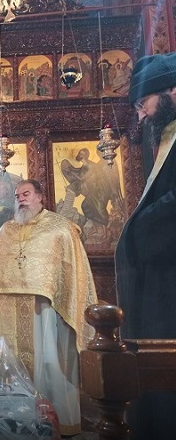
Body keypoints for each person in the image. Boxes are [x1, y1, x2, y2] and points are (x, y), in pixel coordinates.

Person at [0, 179, 97, 437]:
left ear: (40, 197)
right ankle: (15, 421)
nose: (20, 199)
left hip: (45, 307)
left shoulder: (60, 228)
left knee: (48, 359)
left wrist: (66, 298)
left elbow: (72, 271)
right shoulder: (6, 230)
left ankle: (53, 420)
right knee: (9, 360)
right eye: (17, 195)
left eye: (26, 194)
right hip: (8, 304)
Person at [115, 51, 176, 440]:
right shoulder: (169, 136)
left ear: (172, 91)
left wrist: (138, 230)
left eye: (143, 105)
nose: (140, 117)